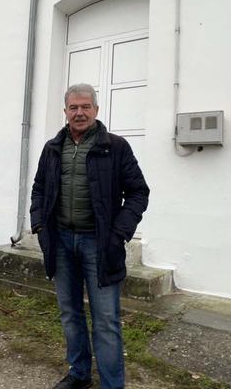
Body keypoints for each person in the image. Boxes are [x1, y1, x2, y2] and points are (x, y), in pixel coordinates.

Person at [30, 83, 150, 389]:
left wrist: (118, 234)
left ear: (96, 110)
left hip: (99, 245)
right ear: (66, 111)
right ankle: (79, 374)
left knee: (106, 320)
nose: (80, 112)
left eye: (86, 107)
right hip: (60, 243)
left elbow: (138, 192)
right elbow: (39, 189)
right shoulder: (52, 148)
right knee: (70, 314)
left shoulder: (115, 146)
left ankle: (112, 385)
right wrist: (40, 227)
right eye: (74, 107)